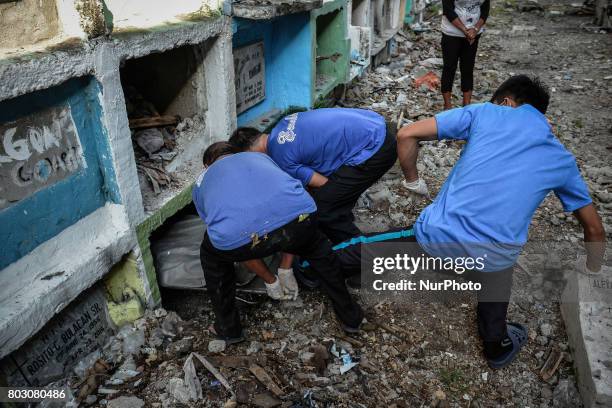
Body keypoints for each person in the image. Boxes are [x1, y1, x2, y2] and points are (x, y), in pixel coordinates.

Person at [389, 75, 606, 368]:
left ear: (506, 102)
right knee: (500, 262)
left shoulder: (486, 112)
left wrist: (413, 181)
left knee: (367, 248)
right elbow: (594, 229)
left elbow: (406, 134)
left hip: (437, 240)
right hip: (493, 259)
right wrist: (591, 268)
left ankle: (322, 265)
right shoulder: (561, 158)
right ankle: (496, 345)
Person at [192, 142, 364, 343]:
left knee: (212, 254)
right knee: (318, 249)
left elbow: (230, 231)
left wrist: (269, 279)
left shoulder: (201, 180)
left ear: (207, 165)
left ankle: (229, 329)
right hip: (301, 219)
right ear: (236, 153)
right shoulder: (258, 157)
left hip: (240, 240)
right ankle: (351, 318)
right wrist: (285, 267)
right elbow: (285, 201)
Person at [229, 108, 399, 245]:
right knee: (334, 197)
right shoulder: (283, 123)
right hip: (376, 126)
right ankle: (344, 226)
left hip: (374, 149)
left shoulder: (280, 156)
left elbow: (324, 183)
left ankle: (360, 260)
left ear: (249, 153)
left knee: (323, 210)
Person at [440, 0, 490, 109]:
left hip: (473, 33)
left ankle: (466, 106)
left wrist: (475, 30)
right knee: (449, 67)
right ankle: (447, 106)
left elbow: (485, 11)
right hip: (451, 32)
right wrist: (465, 30)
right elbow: (448, 11)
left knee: (467, 67)